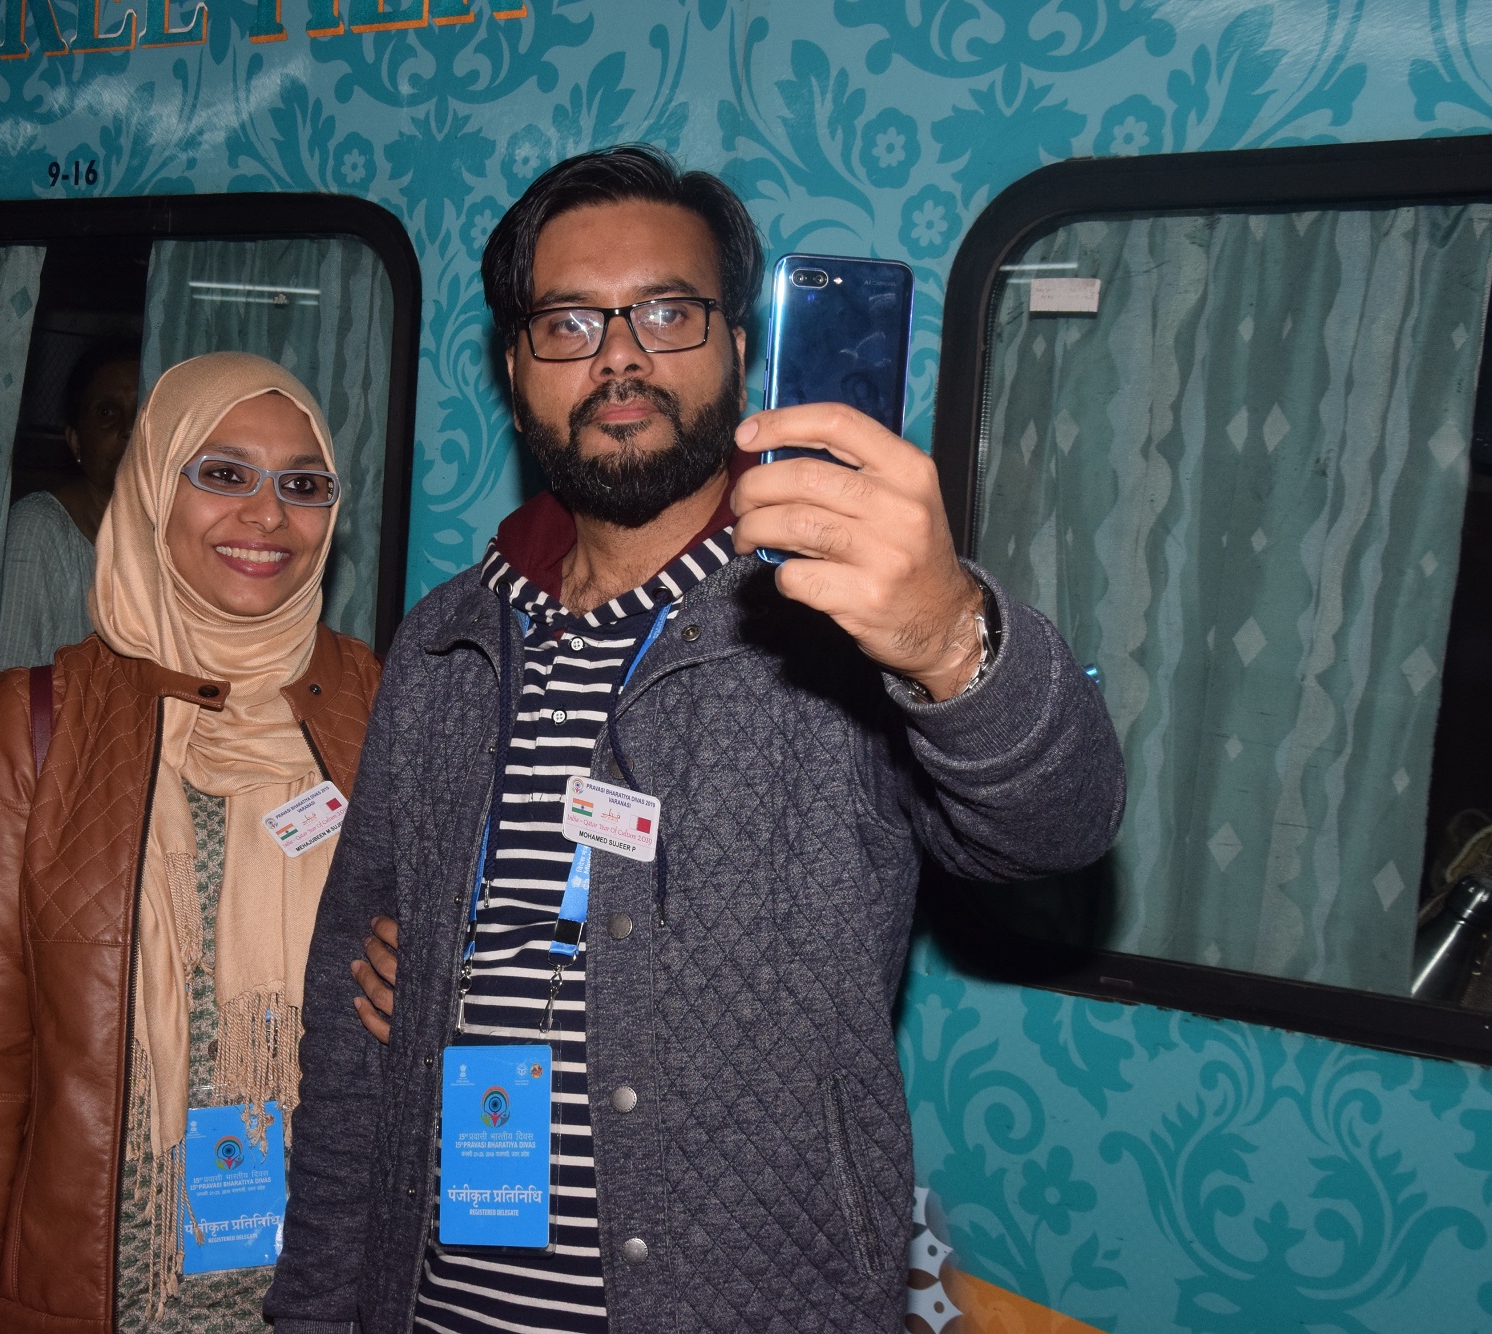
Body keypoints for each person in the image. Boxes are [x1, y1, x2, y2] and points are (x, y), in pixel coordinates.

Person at [266, 146, 1125, 1332]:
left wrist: (943, 636)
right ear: (514, 369)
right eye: (568, 320)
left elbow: (1057, 825)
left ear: (737, 346)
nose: (618, 354)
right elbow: (348, 1029)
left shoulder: (843, 616)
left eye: (666, 311)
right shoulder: (443, 642)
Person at [0, 352, 382, 1333]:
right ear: (152, 483)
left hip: (334, 1292)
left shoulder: (380, 705)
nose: (267, 515)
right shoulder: (36, 730)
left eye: (302, 483)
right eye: (223, 472)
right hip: (118, 1297)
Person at [0, 339, 142, 671]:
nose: (128, 429)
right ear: (75, 440)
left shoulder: (168, 538)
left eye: (142, 412)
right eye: (107, 413)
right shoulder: (38, 528)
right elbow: (10, 683)